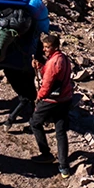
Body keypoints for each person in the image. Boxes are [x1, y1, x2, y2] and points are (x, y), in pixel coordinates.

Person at [30, 32, 75, 175]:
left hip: (52, 100)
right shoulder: (63, 59)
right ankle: (64, 166)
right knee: (60, 131)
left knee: (35, 122)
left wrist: (38, 97)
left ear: (55, 47)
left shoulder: (53, 63)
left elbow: (47, 84)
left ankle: (45, 154)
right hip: (65, 99)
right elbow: (51, 74)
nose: (44, 49)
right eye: (44, 47)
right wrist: (41, 66)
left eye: (47, 47)